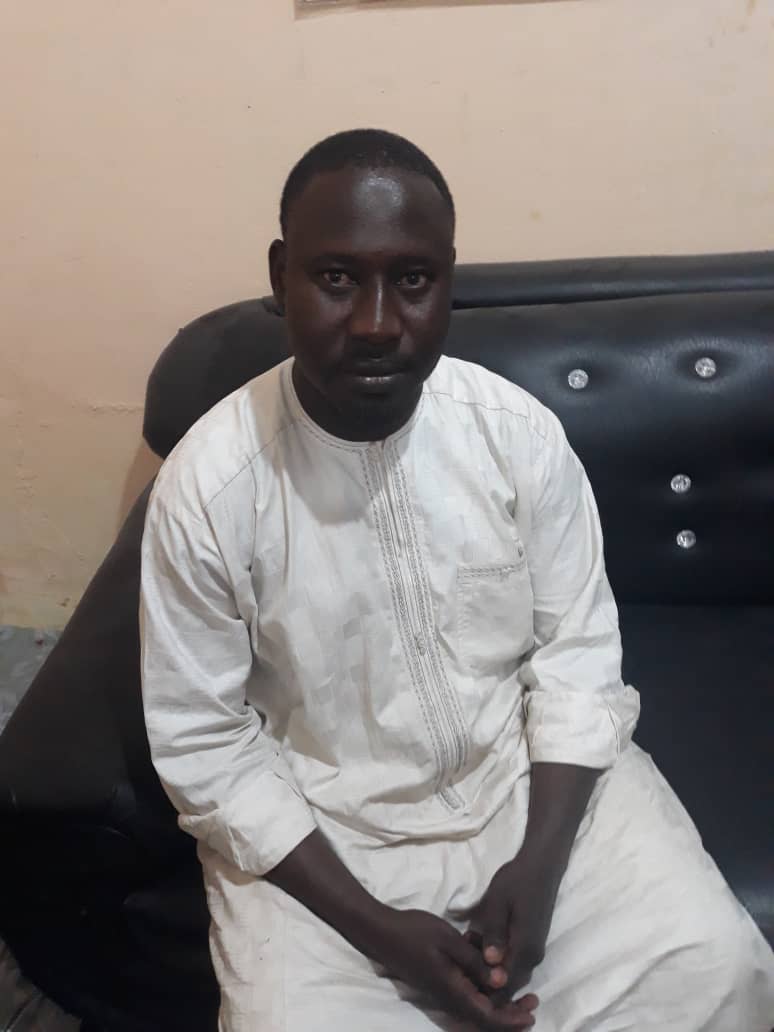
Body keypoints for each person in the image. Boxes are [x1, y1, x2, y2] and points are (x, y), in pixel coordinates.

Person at [140, 129, 774, 1032]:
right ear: (281, 276)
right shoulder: (209, 487)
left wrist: (540, 868)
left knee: (718, 971)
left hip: (529, 791)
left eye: (412, 280)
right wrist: (381, 933)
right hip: (326, 837)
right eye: (336, 278)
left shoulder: (515, 434)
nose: (375, 322)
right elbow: (204, 745)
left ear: (448, 282)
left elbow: (577, 655)